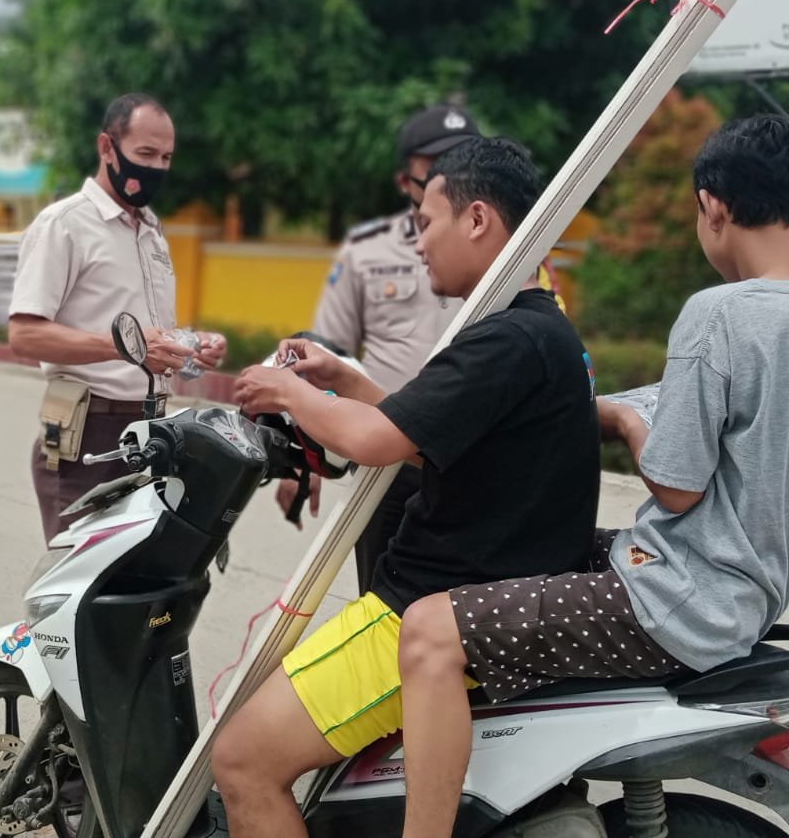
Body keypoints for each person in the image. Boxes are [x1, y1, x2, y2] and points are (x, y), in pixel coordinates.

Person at [394, 113, 789, 838]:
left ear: (714, 208)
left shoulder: (720, 315)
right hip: (749, 591)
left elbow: (677, 486)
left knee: (426, 629)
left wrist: (634, 424)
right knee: (551, 539)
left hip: (681, 598)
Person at [212, 137, 601, 838]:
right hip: (480, 595)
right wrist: (346, 380)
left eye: (426, 220)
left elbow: (372, 442)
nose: (418, 242)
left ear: (477, 219)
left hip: (425, 608)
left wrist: (284, 390)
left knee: (240, 760)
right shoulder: (541, 327)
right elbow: (428, 431)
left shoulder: (504, 339)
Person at [8, 93, 228, 541]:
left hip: (154, 432)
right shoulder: (65, 224)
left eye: (166, 157)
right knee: (82, 592)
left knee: (138, 590)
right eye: (145, 154)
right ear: (107, 147)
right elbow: (24, 335)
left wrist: (190, 348)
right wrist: (125, 348)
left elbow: (151, 337)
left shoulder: (151, 231)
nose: (157, 168)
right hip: (88, 437)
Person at [289, 105, 478, 590]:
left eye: (462, 159)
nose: (450, 174)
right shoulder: (367, 250)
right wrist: (303, 455)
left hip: (477, 463)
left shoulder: (517, 250)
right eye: (435, 163)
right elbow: (323, 356)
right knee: (380, 604)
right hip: (389, 466)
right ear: (404, 180)